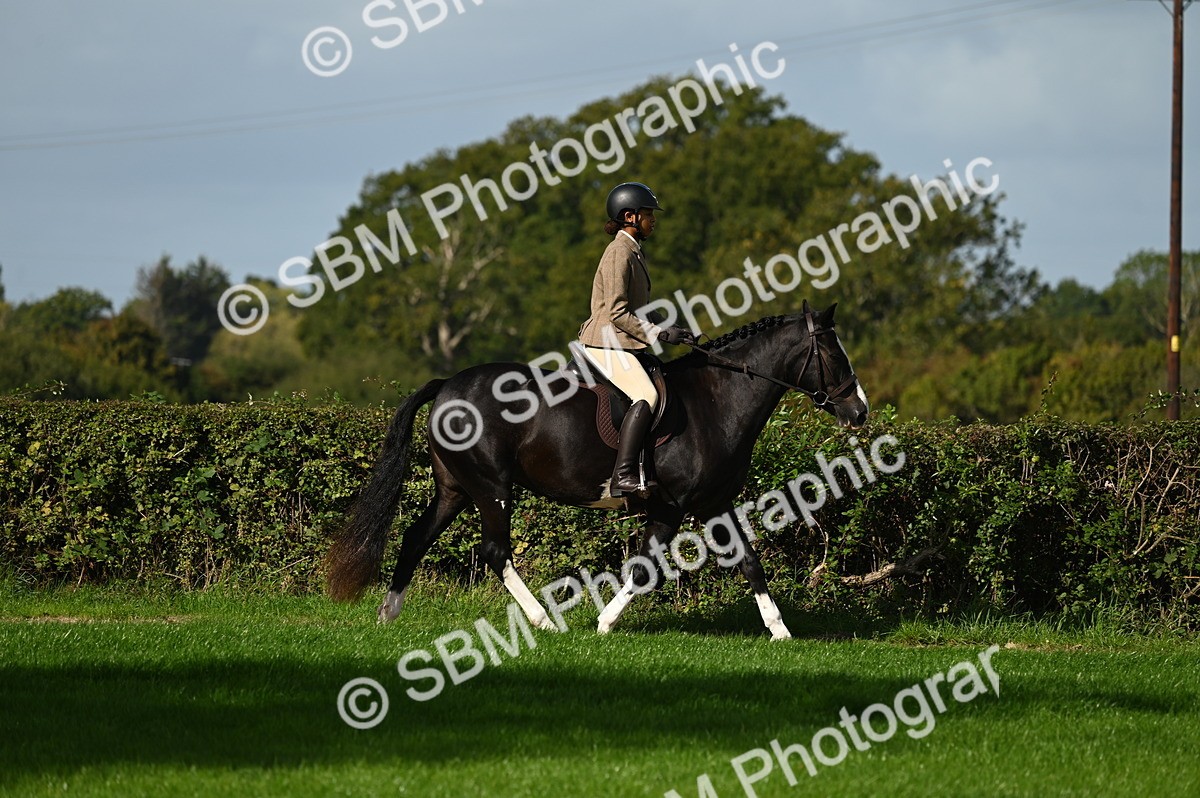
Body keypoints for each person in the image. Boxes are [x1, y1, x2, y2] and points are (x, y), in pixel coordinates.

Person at [576, 182, 695, 496]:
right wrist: (656, 333)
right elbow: (616, 311)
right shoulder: (619, 251)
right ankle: (624, 476)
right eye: (647, 214)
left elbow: (635, 308)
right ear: (629, 216)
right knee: (646, 396)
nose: (653, 220)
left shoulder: (632, 249)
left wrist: (668, 329)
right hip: (605, 341)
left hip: (622, 341)